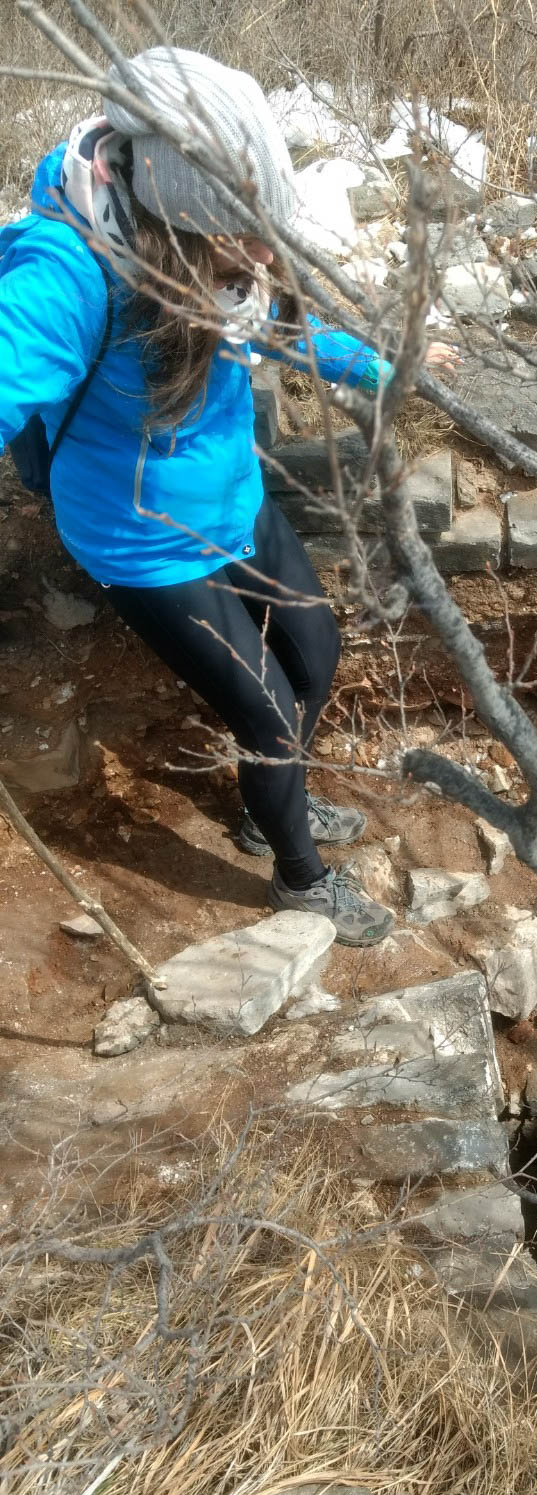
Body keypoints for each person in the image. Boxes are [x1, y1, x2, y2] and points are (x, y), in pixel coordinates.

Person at [0, 47, 457, 945]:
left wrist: (374, 366)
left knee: (315, 655)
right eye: (245, 236)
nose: (265, 254)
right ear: (179, 220)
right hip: (142, 541)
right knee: (271, 714)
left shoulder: (214, 251)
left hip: (233, 499)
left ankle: (266, 801)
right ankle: (298, 877)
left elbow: (274, 328)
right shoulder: (67, 273)